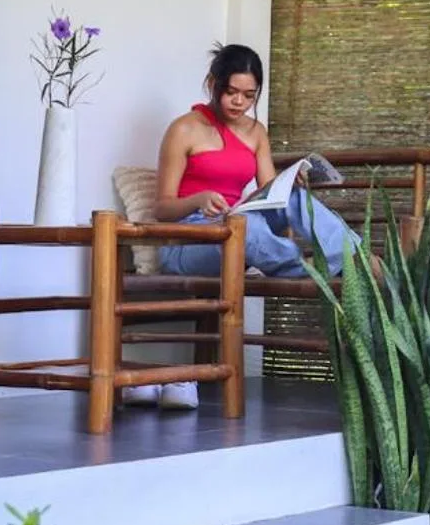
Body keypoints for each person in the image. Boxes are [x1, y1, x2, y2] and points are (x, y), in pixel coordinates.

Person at [123, 43, 348, 411]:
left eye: (249, 95)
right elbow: (162, 208)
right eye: (231, 92)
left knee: (291, 199)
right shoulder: (184, 129)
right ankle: (315, 270)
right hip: (189, 240)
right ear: (213, 84)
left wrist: (291, 184)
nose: (239, 102)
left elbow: (270, 195)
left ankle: (352, 256)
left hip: (235, 227)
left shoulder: (256, 132)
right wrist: (198, 200)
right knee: (247, 229)